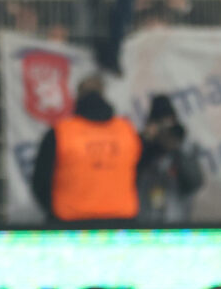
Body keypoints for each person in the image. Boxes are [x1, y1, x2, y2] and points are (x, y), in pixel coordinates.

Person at [30, 74, 142, 223]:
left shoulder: (60, 132)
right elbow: (138, 171)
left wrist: (54, 213)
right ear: (103, 94)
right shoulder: (127, 130)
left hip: (71, 225)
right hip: (121, 224)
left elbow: (40, 180)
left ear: (78, 96)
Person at [137, 95, 204, 223]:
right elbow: (129, 178)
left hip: (176, 227)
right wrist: (145, 143)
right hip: (144, 228)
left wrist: (177, 148)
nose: (165, 132)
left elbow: (195, 181)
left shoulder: (184, 149)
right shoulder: (142, 149)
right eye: (160, 126)